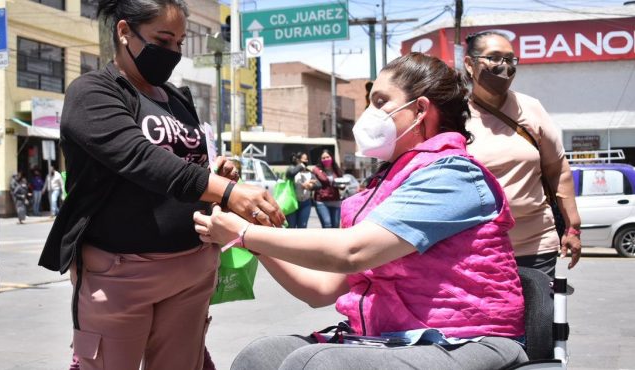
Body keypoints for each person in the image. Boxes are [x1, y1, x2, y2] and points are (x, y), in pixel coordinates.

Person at [194, 52, 527, 370]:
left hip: (467, 341)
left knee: (318, 365)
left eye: (381, 102)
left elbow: (353, 251)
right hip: (395, 339)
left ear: (421, 109)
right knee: (260, 358)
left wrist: (244, 233)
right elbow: (319, 290)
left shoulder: (452, 175)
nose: (370, 113)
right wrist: (250, 231)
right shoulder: (386, 182)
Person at [37, 1, 283, 369]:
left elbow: (187, 165)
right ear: (124, 32)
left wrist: (217, 173)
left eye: (179, 43)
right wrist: (225, 190)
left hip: (192, 269)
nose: (172, 53)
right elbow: (141, 159)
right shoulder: (93, 93)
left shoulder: (178, 99)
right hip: (121, 273)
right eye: (163, 40)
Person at [463, 31, 581, 277]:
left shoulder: (531, 108)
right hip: (476, 249)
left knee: (537, 316)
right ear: (469, 64)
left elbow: (557, 169)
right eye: (493, 58)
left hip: (535, 245)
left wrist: (573, 228)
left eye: (510, 59)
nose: (503, 66)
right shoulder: (455, 116)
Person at [311, 150, 344, 228]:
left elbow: (341, 183)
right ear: (321, 159)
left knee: (336, 225)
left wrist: (342, 186)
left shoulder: (336, 169)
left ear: (331, 157)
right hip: (321, 201)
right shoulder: (316, 170)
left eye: (327, 157)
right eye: (323, 158)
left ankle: (334, 241)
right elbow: (314, 183)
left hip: (335, 200)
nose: (326, 159)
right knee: (327, 224)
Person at [284, 152, 317, 228]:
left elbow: (318, 184)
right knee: (291, 226)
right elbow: (291, 174)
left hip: (305, 203)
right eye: (304, 159)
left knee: (302, 226)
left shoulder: (309, 172)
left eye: (307, 159)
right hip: (292, 202)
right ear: (298, 160)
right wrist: (301, 165)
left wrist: (310, 185)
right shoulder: (291, 169)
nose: (306, 161)